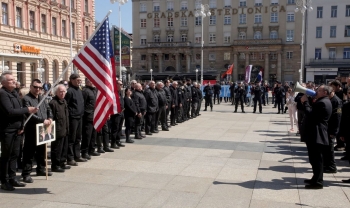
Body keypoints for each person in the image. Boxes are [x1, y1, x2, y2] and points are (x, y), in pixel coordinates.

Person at [0, 72, 38, 191]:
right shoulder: (2, 94)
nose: (14, 81)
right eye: (10, 80)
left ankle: (12, 178)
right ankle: (4, 180)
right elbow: (10, 111)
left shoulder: (15, 93)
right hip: (7, 129)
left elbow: (19, 111)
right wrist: (27, 109)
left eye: (14, 79)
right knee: (6, 155)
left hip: (17, 129)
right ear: (3, 82)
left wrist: (22, 126)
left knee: (15, 155)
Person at [21, 79, 53, 183]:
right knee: (29, 152)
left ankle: (41, 169)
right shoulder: (26, 99)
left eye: (40, 87)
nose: (38, 89)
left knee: (42, 151)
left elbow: (48, 109)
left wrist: (50, 118)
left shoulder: (42, 97)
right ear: (31, 87)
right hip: (32, 129)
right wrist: (42, 120)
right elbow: (29, 114)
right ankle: (26, 173)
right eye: (35, 87)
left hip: (43, 128)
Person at [301, 85, 332, 189]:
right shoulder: (322, 101)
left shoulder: (322, 103)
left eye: (319, 91)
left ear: (325, 93)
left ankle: (318, 182)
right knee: (314, 159)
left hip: (316, 134)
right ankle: (315, 178)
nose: (316, 92)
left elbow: (311, 114)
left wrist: (305, 102)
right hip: (315, 134)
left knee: (316, 159)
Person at [65, 74, 86, 166]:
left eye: (80, 80)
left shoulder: (79, 90)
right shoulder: (69, 91)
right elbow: (67, 105)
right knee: (72, 139)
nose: (79, 82)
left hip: (80, 116)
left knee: (78, 138)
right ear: (72, 80)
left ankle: (77, 155)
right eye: (77, 80)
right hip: (73, 118)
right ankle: (70, 158)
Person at [49, 84, 70, 172]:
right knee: (57, 148)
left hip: (65, 128)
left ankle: (62, 162)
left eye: (64, 91)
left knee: (64, 148)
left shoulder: (64, 101)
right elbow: (51, 117)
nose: (62, 93)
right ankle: (55, 165)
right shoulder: (53, 103)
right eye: (60, 91)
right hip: (57, 130)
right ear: (56, 92)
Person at [323, 87, 342, 173]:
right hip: (328, 128)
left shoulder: (336, 101)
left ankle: (332, 166)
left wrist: (334, 131)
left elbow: (337, 117)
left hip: (331, 129)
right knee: (326, 148)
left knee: (330, 149)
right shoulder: (331, 99)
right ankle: (327, 165)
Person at [81, 79, 100, 160]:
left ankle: (91, 149)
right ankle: (84, 152)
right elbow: (83, 104)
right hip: (88, 116)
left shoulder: (95, 90)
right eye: (90, 81)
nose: (92, 82)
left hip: (95, 115)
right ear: (87, 82)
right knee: (87, 135)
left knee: (93, 134)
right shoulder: (85, 91)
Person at [110, 80, 125, 148]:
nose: (121, 85)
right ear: (116, 84)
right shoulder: (113, 92)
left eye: (122, 84)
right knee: (115, 129)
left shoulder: (120, 92)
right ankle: (113, 143)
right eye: (120, 84)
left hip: (121, 113)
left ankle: (117, 141)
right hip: (115, 114)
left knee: (119, 128)